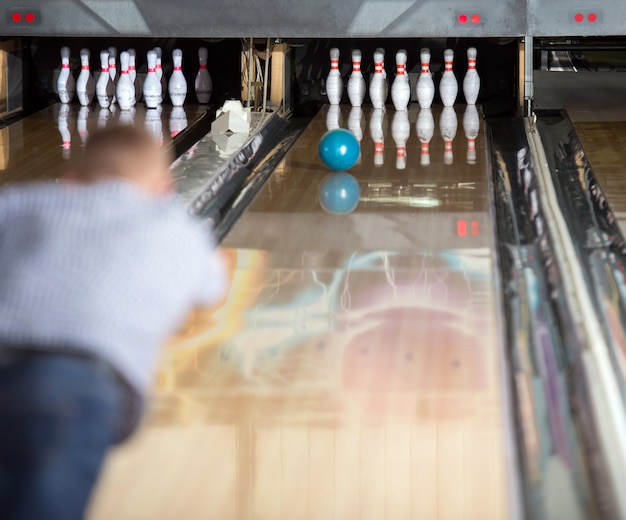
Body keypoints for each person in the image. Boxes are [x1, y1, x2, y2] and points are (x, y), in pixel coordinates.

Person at [0, 125, 226, 520]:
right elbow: (213, 287)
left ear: (72, 181)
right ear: (164, 189)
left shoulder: (22, 203)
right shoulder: (176, 230)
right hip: (81, 390)